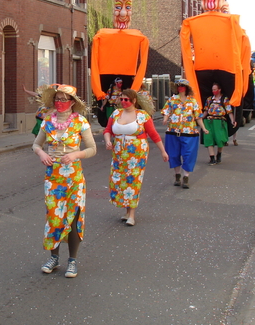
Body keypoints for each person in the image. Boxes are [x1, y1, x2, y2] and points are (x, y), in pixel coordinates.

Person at [32, 84, 96, 278]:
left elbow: (93, 148)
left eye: (63, 99)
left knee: (73, 217)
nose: (59, 103)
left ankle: (72, 260)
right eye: (57, 99)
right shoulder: (47, 122)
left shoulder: (80, 122)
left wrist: (77, 154)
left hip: (74, 177)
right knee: (54, 217)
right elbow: (36, 144)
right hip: (53, 177)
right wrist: (41, 153)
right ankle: (54, 258)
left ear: (72, 103)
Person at [104, 89, 168, 226]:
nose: (123, 102)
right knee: (120, 181)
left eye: (126, 100)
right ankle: (127, 211)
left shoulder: (142, 116)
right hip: (119, 154)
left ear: (133, 101)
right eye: (121, 99)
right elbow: (107, 130)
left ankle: (132, 215)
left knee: (132, 181)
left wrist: (163, 151)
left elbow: (154, 135)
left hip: (136, 154)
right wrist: (108, 140)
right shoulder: (116, 114)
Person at [161, 79, 207, 189]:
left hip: (189, 132)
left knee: (188, 155)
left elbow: (198, 117)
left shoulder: (192, 101)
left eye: (182, 85)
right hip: (173, 132)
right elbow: (167, 111)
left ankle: (186, 177)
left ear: (186, 88)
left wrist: (204, 128)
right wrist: (165, 119)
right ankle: (177, 175)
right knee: (173, 154)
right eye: (178, 86)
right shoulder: (172, 100)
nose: (180, 87)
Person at [201, 82, 236, 165]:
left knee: (220, 140)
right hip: (209, 121)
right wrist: (200, 118)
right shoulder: (209, 99)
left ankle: (219, 154)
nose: (213, 91)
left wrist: (233, 120)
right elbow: (206, 111)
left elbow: (229, 111)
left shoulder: (224, 99)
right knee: (209, 139)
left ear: (219, 90)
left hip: (220, 122)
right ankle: (212, 158)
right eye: (212, 89)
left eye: (215, 89)